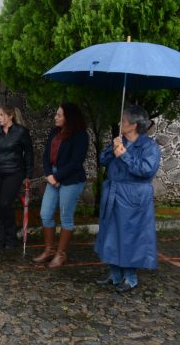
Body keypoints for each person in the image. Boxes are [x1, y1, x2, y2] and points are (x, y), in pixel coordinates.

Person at [94, 105, 160, 293]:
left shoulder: (149, 146)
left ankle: (130, 277)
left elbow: (146, 170)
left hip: (134, 196)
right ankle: (115, 274)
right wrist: (112, 149)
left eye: (123, 120)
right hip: (114, 193)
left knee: (130, 236)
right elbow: (102, 160)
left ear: (134, 124)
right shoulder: (120, 140)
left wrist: (125, 155)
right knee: (110, 233)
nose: (119, 123)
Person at [33, 102, 88, 267]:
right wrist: (50, 174)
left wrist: (56, 177)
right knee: (45, 214)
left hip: (71, 179)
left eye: (59, 115)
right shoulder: (54, 132)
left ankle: (61, 254)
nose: (55, 117)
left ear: (68, 117)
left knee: (66, 217)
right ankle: (49, 250)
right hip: (53, 176)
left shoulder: (81, 135)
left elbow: (76, 162)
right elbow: (46, 156)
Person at [0, 105, 33, 250]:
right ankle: (0, 238)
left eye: (1, 115)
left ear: (10, 116)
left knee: (5, 203)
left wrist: (28, 174)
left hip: (14, 172)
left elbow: (29, 153)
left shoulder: (21, 132)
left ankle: (11, 238)